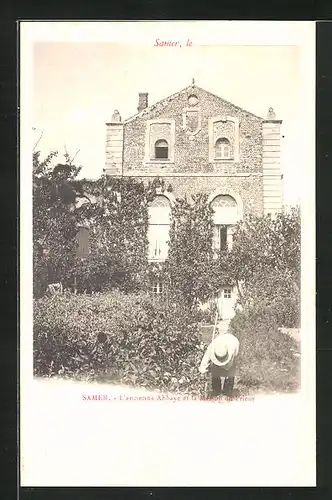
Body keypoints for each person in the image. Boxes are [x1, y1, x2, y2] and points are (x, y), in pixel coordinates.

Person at [199, 327, 240, 397]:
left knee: (230, 374)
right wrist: (203, 371)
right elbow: (204, 361)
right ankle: (216, 391)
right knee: (215, 371)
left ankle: (227, 394)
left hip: (232, 346)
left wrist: (226, 372)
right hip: (221, 343)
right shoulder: (212, 347)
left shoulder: (233, 347)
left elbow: (228, 366)